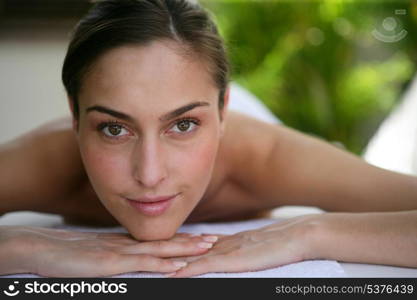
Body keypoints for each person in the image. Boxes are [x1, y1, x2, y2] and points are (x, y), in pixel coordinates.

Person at [1, 0, 417, 278]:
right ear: (75, 116)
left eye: (182, 125)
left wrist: (312, 232)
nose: (149, 174)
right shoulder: (48, 162)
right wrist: (19, 247)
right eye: (115, 128)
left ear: (222, 112)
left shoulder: (267, 156)